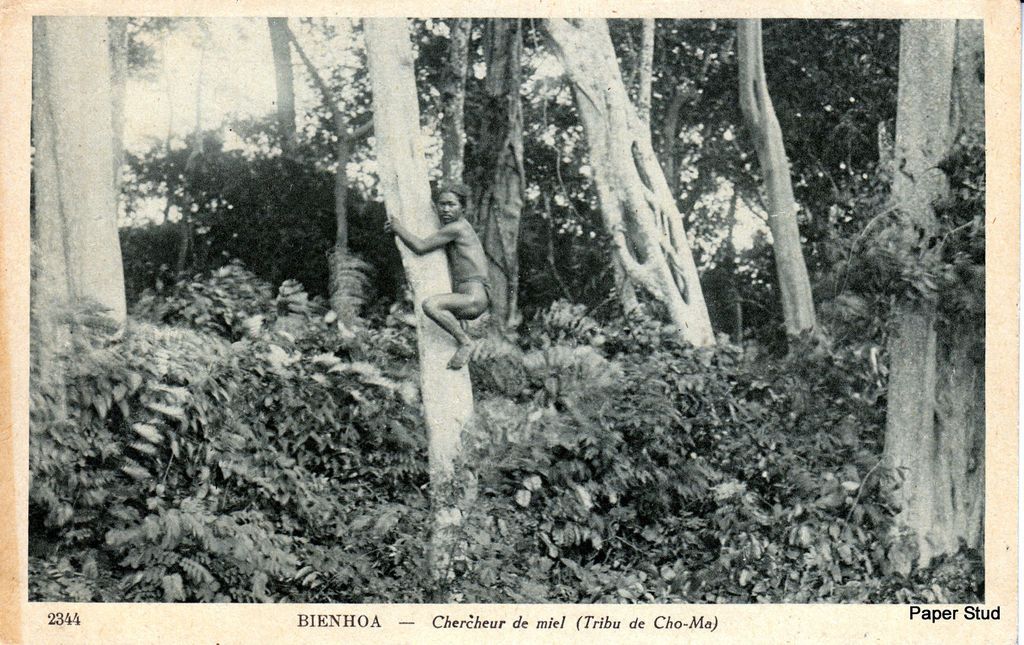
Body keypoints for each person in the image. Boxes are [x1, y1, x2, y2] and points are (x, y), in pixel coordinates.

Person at [385, 186, 490, 370]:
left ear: (462, 208)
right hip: (470, 297)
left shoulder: (457, 228)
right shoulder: (456, 228)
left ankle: (466, 342)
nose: (446, 209)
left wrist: (398, 227)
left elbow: (421, 246)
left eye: (451, 205)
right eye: (442, 205)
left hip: (474, 297)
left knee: (431, 305)